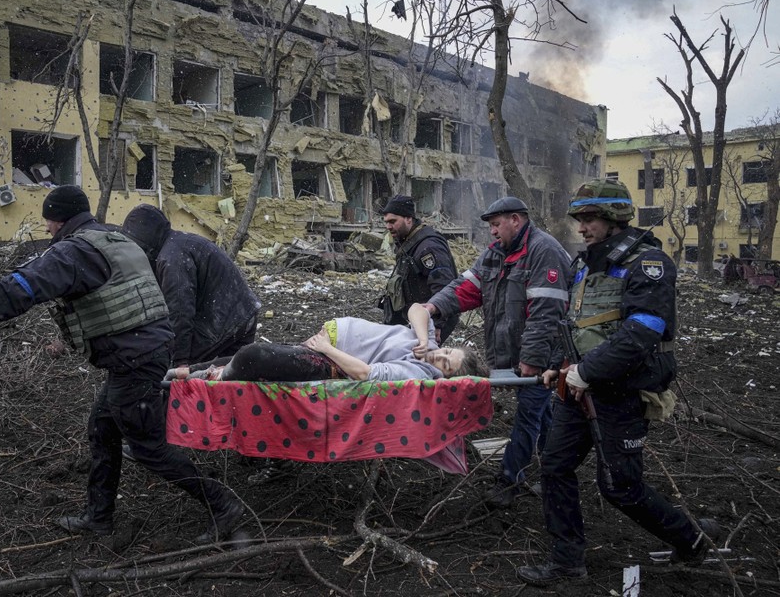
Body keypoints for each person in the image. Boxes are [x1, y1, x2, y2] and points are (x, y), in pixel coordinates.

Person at [0, 186, 243, 544]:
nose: (46, 229)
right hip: (144, 350)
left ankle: (223, 504)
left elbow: (17, 290)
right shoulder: (113, 236)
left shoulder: (74, 252)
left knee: (147, 446)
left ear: (58, 220)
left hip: (135, 357)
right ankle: (98, 517)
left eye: (47, 221)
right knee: (102, 429)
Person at [516, 179, 721, 585]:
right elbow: (579, 327)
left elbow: (643, 331)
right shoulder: (586, 264)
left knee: (620, 487)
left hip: (620, 393)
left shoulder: (649, 264)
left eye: (589, 218)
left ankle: (692, 542)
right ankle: (567, 563)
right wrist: (562, 366)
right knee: (554, 466)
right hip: (577, 391)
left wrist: (586, 372)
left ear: (613, 219)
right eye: (580, 218)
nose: (582, 226)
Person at [424, 196, 571, 507]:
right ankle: (555, 466)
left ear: (515, 220)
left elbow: (547, 312)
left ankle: (509, 478)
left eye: (495, 225)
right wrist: (433, 307)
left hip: (543, 356)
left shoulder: (544, 252)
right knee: (542, 411)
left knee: (529, 414)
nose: (491, 232)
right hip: (512, 354)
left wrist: (531, 360)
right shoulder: (495, 254)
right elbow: (466, 288)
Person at [122, 204, 260, 379]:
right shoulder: (178, 243)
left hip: (224, 320)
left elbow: (180, 312)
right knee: (231, 380)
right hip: (242, 312)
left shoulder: (171, 258)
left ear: (144, 243)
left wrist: (179, 362)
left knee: (180, 376)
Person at [189, 303, 484, 383]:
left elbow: (365, 374)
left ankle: (205, 378)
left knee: (252, 356)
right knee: (250, 356)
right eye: (446, 352)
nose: (438, 358)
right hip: (328, 341)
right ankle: (182, 371)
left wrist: (327, 349)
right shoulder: (428, 345)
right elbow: (418, 309)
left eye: (445, 365)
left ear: (445, 378)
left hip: (330, 361)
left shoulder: (418, 373)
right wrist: (423, 338)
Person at [379, 194, 460, 344]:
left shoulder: (428, 246)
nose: (388, 226)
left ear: (409, 218)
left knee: (421, 361)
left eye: (392, 221)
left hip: (430, 319)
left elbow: (443, 286)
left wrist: (437, 324)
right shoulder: (409, 242)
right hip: (417, 318)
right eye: (386, 222)